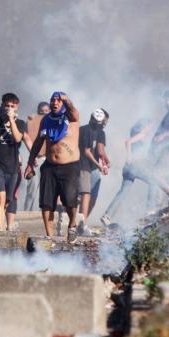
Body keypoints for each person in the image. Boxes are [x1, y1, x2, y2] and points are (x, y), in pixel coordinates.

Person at [26, 92, 81, 242]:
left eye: (58, 100)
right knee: (46, 202)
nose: (55, 103)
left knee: (69, 201)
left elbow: (74, 111)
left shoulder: (71, 117)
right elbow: (39, 141)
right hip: (49, 166)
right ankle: (49, 236)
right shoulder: (46, 120)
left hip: (69, 167)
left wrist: (67, 100)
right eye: (53, 100)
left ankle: (72, 226)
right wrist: (30, 162)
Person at [0, 93, 29, 231]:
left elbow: (18, 138)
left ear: (16, 107)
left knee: (8, 200)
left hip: (13, 168)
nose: (9, 108)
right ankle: (1, 231)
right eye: (7, 106)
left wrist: (12, 120)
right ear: (2, 105)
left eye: (12, 106)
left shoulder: (20, 123)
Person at [101, 118, 156, 227]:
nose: (152, 128)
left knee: (123, 192)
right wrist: (130, 157)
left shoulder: (142, 137)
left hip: (128, 168)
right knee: (154, 182)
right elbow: (128, 142)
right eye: (150, 125)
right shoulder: (142, 134)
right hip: (135, 166)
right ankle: (150, 210)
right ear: (145, 126)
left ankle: (107, 215)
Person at [77, 108, 110, 234]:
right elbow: (86, 151)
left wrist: (106, 160)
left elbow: (100, 150)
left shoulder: (101, 132)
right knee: (85, 195)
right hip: (83, 166)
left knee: (93, 198)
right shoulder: (84, 130)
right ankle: (80, 224)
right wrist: (100, 165)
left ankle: (82, 222)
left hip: (94, 169)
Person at [22, 102, 50, 211]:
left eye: (46, 111)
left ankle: (43, 216)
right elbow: (27, 138)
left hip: (48, 160)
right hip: (36, 160)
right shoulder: (31, 121)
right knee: (32, 190)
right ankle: (26, 214)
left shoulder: (53, 123)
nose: (43, 114)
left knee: (47, 190)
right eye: (41, 112)